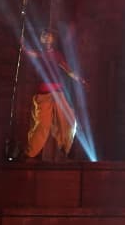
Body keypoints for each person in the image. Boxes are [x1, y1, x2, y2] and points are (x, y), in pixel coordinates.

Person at [24, 28, 87, 160]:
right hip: (44, 94)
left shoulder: (57, 55)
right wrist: (22, 43)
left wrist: (79, 79)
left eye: (49, 36)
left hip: (58, 94)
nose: (47, 38)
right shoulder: (40, 53)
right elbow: (29, 52)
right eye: (44, 36)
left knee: (69, 121)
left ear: (53, 39)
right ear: (41, 39)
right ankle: (29, 154)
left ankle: (66, 148)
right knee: (42, 125)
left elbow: (68, 70)